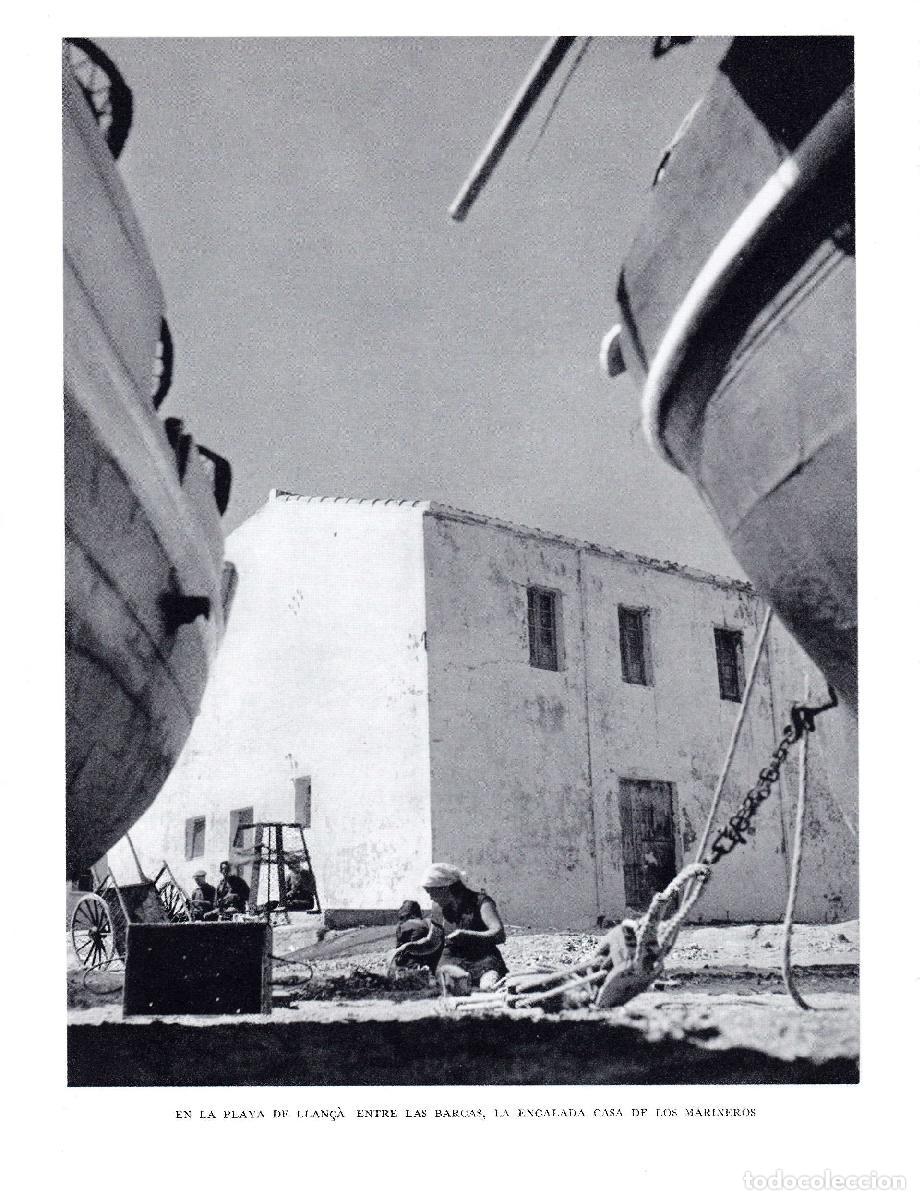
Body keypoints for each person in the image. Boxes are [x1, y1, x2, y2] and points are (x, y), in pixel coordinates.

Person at [420, 863, 507, 991]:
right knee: (448, 986)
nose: (431, 897)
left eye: (432, 892)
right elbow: (434, 939)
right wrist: (409, 948)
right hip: (452, 959)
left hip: (482, 958)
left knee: (488, 986)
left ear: (445, 888)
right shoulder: (438, 907)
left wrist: (468, 935)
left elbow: (499, 934)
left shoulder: (481, 902)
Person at [388, 899, 444, 979]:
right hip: (435, 964)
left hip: (414, 967)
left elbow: (399, 952)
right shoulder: (431, 922)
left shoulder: (404, 925)